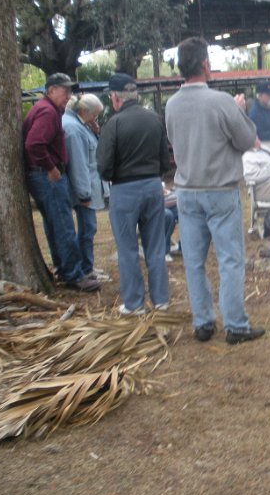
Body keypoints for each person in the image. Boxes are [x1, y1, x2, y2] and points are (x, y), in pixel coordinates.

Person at [164, 37, 264, 345]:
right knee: (230, 258)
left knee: (193, 260)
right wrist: (239, 110)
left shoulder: (171, 104)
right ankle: (235, 325)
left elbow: (174, 145)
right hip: (220, 190)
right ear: (205, 64)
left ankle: (203, 322)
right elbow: (247, 140)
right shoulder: (220, 101)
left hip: (186, 191)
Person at [97, 73, 169, 315]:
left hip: (124, 190)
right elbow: (164, 161)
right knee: (156, 247)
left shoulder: (113, 124)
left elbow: (104, 167)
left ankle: (134, 304)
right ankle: (161, 300)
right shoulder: (154, 119)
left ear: (115, 98)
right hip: (152, 185)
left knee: (127, 249)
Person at [23, 73, 99, 292]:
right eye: (64, 90)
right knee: (64, 225)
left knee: (54, 224)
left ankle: (63, 268)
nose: (68, 95)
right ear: (50, 90)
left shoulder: (45, 109)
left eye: (70, 90)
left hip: (40, 175)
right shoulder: (47, 111)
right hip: (47, 176)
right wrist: (51, 167)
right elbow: (34, 144)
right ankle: (74, 275)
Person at [63, 94, 105, 278]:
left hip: (88, 185)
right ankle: (86, 268)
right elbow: (79, 164)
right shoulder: (73, 128)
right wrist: (84, 194)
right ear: (83, 111)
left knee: (88, 228)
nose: (95, 118)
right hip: (84, 189)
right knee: (87, 228)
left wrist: (95, 131)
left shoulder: (81, 125)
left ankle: (86, 266)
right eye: (94, 114)